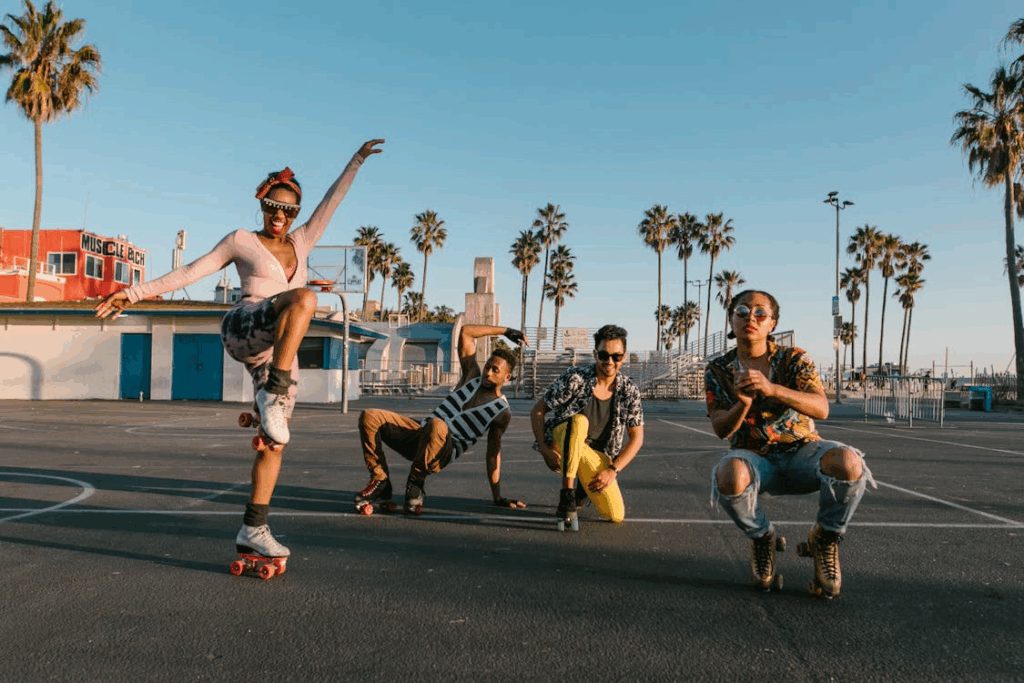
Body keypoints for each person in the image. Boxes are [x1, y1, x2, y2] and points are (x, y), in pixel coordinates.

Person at [95, 138, 385, 559]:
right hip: (242, 326)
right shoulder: (241, 240)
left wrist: (356, 161)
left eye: (288, 210)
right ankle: (275, 391)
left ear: (296, 213)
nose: (279, 216)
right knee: (305, 299)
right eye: (272, 206)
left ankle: (254, 527)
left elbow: (331, 201)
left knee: (275, 439)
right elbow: (193, 271)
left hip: (273, 353)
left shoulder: (304, 241)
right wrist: (136, 293)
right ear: (261, 203)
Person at [705, 290, 875, 597]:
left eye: (760, 313)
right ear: (731, 320)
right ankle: (762, 537)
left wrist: (772, 389)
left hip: (802, 451)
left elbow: (821, 408)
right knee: (729, 474)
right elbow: (720, 428)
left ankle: (825, 537)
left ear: (772, 323)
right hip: (755, 458)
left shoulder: (793, 358)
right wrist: (742, 405)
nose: (750, 318)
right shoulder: (719, 369)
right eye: (742, 311)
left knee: (849, 463)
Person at [355, 324, 529, 513]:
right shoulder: (471, 377)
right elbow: (466, 332)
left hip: (441, 452)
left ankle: (416, 482)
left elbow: (493, 455)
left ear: (507, 376)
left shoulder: (501, 411)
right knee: (370, 416)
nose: (487, 373)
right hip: (420, 435)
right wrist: (506, 331)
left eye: (495, 370)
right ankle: (380, 479)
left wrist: (498, 496)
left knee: (437, 424)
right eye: (488, 366)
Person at [530, 324, 644, 529]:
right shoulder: (575, 378)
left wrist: (612, 470)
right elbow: (537, 411)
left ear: (624, 357)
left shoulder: (629, 390)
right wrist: (545, 450)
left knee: (615, 515)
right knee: (579, 421)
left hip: (597, 455)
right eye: (604, 355)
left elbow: (637, 438)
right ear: (595, 354)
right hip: (562, 439)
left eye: (616, 356)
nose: (610, 361)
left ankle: (583, 485)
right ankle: (567, 495)